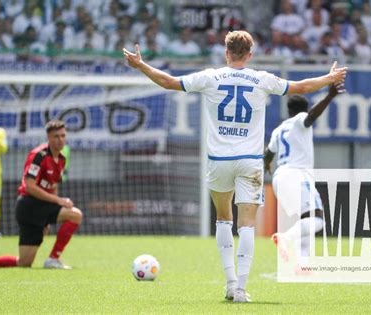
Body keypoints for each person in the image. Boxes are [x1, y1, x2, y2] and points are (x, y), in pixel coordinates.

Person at [123, 30, 347, 302]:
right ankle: (241, 289)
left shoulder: (210, 76)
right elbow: (300, 87)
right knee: (248, 225)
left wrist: (141, 65)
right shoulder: (262, 79)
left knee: (223, 219)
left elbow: (169, 82)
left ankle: (230, 284)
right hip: (250, 161)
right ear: (250, 54)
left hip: (219, 161)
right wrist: (330, 78)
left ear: (226, 53)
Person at [264, 84, 344, 264]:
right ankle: (285, 238)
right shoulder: (301, 119)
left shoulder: (278, 130)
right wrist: (329, 97)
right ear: (303, 109)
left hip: (279, 177)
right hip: (297, 174)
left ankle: (303, 263)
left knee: (305, 219)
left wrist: (267, 164)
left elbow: (268, 154)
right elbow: (310, 117)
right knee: (317, 219)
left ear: (288, 110)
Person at [0, 120, 83, 269]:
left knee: (24, 262)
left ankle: (53, 259)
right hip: (29, 205)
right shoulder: (38, 155)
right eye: (56, 136)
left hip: (42, 206)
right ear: (48, 137)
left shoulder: (61, 159)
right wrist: (59, 201)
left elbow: (53, 186)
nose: (60, 140)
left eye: (63, 136)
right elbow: (29, 186)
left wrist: (47, 219)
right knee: (75, 214)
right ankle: (53, 259)